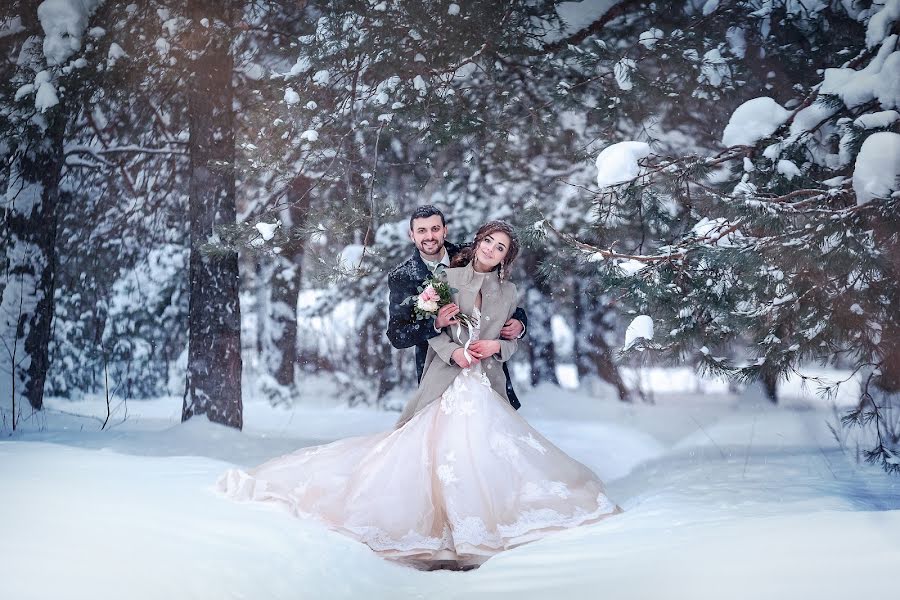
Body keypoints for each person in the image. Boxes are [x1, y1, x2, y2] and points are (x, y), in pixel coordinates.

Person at [218, 220, 621, 570]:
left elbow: (509, 332)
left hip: (486, 382)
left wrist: (501, 346)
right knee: (432, 451)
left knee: (491, 451)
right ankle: (436, 526)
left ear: (505, 258)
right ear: (476, 242)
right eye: (488, 243)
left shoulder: (509, 291)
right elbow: (434, 335)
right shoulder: (445, 279)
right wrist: (457, 352)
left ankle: (483, 526)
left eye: (501, 249)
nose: (491, 251)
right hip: (447, 377)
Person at [387, 205, 527, 409]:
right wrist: (434, 323)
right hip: (439, 366)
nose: (429, 236)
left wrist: (520, 323)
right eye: (421, 231)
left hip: (485, 367)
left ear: (445, 230)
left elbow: (500, 296)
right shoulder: (402, 277)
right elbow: (397, 334)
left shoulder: (471, 254)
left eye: (435, 229)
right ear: (412, 235)